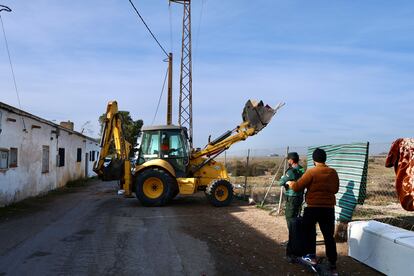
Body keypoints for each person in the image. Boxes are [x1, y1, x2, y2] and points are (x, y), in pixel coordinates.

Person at [287, 148, 339, 275]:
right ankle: (332, 263)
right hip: (328, 209)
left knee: (307, 232)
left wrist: (290, 183)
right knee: (329, 237)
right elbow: (335, 189)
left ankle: (310, 257)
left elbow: (298, 186)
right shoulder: (332, 172)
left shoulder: (312, 172)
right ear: (324, 159)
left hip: (313, 208)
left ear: (314, 160)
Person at [278, 152, 305, 262]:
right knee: (297, 219)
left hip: (292, 198)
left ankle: (292, 247)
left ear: (291, 160)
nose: (288, 161)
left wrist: (283, 179)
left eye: (288, 159)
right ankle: (296, 241)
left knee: (290, 221)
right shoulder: (303, 170)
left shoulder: (290, 172)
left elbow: (281, 182)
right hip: (299, 197)